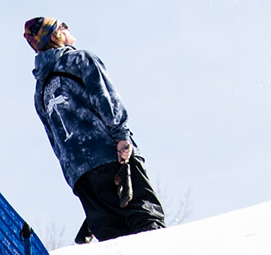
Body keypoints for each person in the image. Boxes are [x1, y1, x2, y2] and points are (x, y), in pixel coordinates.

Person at [25, 17, 167, 243]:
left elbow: (54, 139)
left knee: (112, 238)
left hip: (81, 175)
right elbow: (106, 99)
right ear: (55, 36)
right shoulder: (80, 59)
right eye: (63, 26)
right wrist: (121, 136)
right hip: (110, 154)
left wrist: (78, 179)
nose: (68, 28)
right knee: (144, 216)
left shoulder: (40, 90)